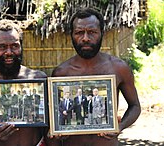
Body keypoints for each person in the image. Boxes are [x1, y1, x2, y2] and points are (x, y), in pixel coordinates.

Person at [47, 8, 141, 146]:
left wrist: (120, 127)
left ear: (102, 33)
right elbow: (58, 116)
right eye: (79, 32)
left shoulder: (118, 68)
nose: (85, 38)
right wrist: (58, 131)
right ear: (71, 35)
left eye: (92, 32)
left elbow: (135, 106)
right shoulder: (61, 73)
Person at [0, 19, 47, 146]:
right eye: (2, 47)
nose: (9, 52)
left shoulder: (39, 80)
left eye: (14, 46)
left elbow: (51, 124)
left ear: (21, 46)